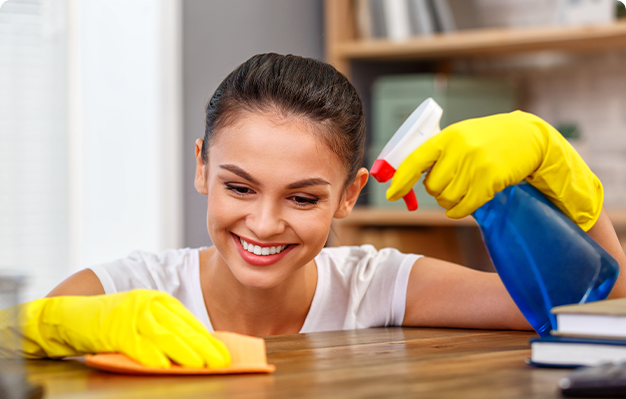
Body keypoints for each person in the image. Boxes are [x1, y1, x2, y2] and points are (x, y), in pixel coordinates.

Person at [7, 53, 626, 368]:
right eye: (240, 187)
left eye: (303, 198)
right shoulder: (132, 289)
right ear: (201, 166)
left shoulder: (374, 284)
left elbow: (597, 313)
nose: (266, 223)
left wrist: (561, 169)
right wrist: (65, 326)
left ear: (351, 195)